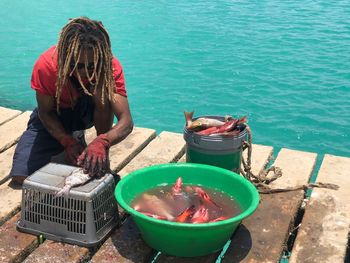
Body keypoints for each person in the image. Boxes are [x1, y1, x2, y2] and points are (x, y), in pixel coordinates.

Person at [9, 17, 133, 185]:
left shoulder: (109, 66)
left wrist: (102, 142)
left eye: (91, 66)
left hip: (91, 112)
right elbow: (45, 112)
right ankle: (73, 139)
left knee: (103, 94)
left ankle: (100, 159)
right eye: (76, 65)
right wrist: (66, 141)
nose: (83, 72)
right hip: (57, 114)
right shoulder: (46, 65)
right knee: (22, 176)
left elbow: (126, 121)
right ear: (65, 55)